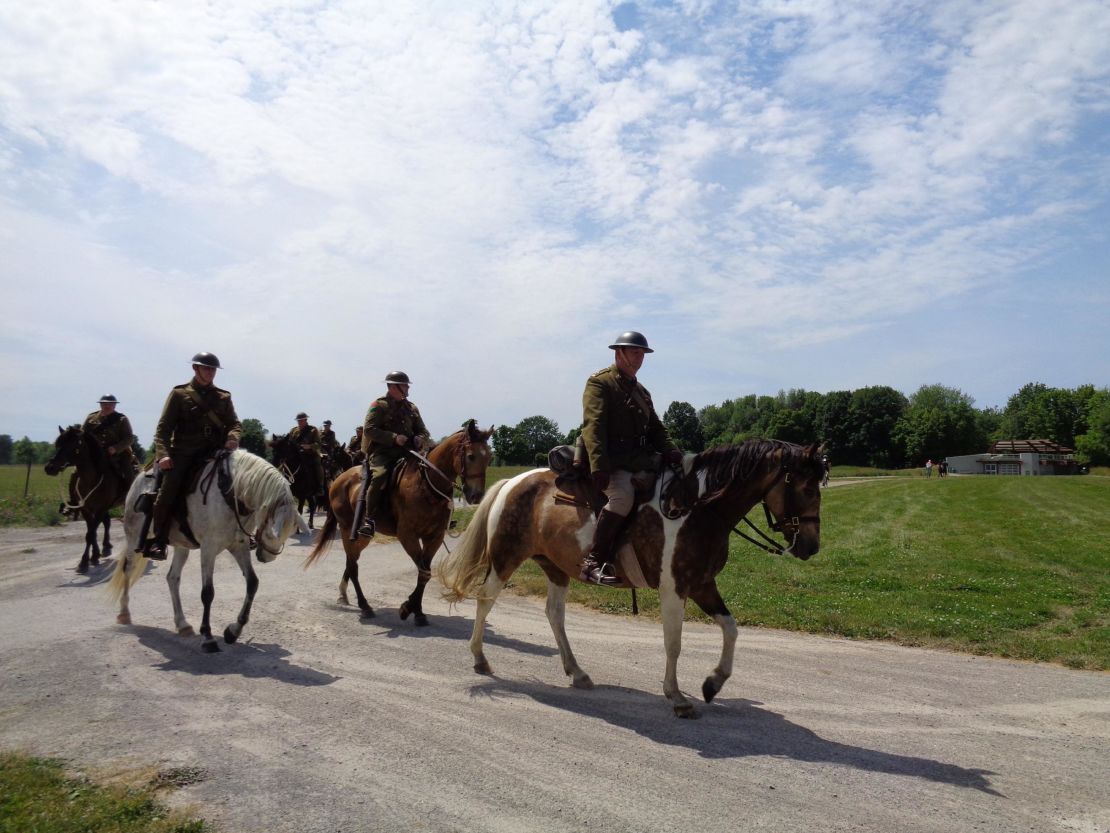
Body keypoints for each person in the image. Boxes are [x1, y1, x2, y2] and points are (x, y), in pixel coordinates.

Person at [579, 331, 681, 586]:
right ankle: (593, 561)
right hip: (613, 463)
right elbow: (594, 427)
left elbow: (656, 428)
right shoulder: (601, 383)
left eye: (642, 353)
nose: (640, 357)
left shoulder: (642, 392)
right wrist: (599, 466)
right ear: (619, 353)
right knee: (623, 498)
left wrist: (671, 450)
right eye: (635, 352)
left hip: (640, 461)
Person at [145, 352, 241, 559]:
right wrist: (163, 455)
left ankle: (242, 532)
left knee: (242, 485)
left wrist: (232, 437)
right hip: (184, 453)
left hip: (215, 453)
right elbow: (163, 429)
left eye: (213, 369)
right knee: (167, 492)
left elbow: (234, 423)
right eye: (206, 368)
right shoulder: (180, 394)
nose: (210, 372)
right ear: (195, 369)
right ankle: (159, 540)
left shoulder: (223, 397)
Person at [352, 371, 430, 540]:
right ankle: (369, 519)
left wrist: (420, 437)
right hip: (384, 453)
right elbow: (369, 430)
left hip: (410, 452)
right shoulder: (378, 405)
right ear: (394, 387)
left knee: (430, 471)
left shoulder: (411, 408)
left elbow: (424, 430)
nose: (408, 387)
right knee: (379, 476)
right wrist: (393, 438)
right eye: (404, 385)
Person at [82, 394, 138, 484]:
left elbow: (129, 438)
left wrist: (116, 448)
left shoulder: (121, 419)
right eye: (104, 404)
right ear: (100, 405)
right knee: (77, 471)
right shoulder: (91, 418)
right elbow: (83, 434)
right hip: (94, 452)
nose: (107, 406)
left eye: (110, 404)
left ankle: (130, 493)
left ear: (115, 405)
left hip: (116, 453)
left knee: (128, 473)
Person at [289, 412, 327, 493]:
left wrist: (309, 446)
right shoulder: (293, 430)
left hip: (310, 454)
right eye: (298, 421)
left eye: (301, 420)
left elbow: (318, 444)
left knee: (317, 465)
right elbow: (289, 441)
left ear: (306, 420)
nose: (299, 422)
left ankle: (320, 487)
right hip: (296, 454)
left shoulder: (313, 430)